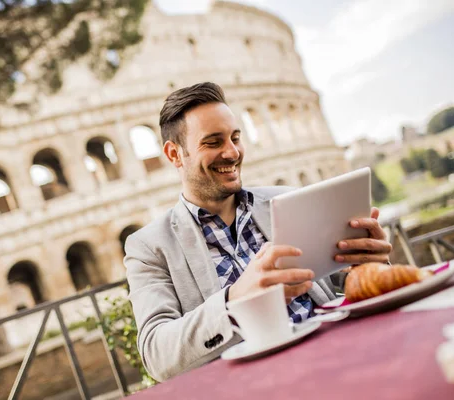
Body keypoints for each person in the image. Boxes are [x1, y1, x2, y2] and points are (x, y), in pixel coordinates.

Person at [124, 82, 392, 382]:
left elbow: (353, 286)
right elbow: (157, 356)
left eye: (235, 138)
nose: (232, 152)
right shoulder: (147, 247)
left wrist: (371, 263)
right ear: (175, 154)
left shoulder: (290, 198)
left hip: (343, 360)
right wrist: (234, 300)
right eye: (213, 142)